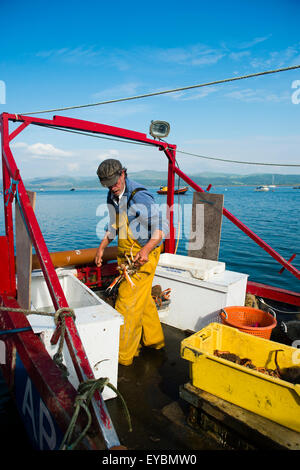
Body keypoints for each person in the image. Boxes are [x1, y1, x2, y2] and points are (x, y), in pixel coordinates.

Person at [95, 159, 168, 366]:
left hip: (144, 254)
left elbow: (160, 230)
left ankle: (123, 357)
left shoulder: (140, 196)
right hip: (126, 255)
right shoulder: (112, 195)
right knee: (142, 300)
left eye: (114, 181)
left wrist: (145, 250)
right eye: (107, 183)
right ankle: (155, 342)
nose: (112, 186)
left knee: (127, 303)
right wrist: (101, 247)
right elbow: (113, 226)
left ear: (123, 174)